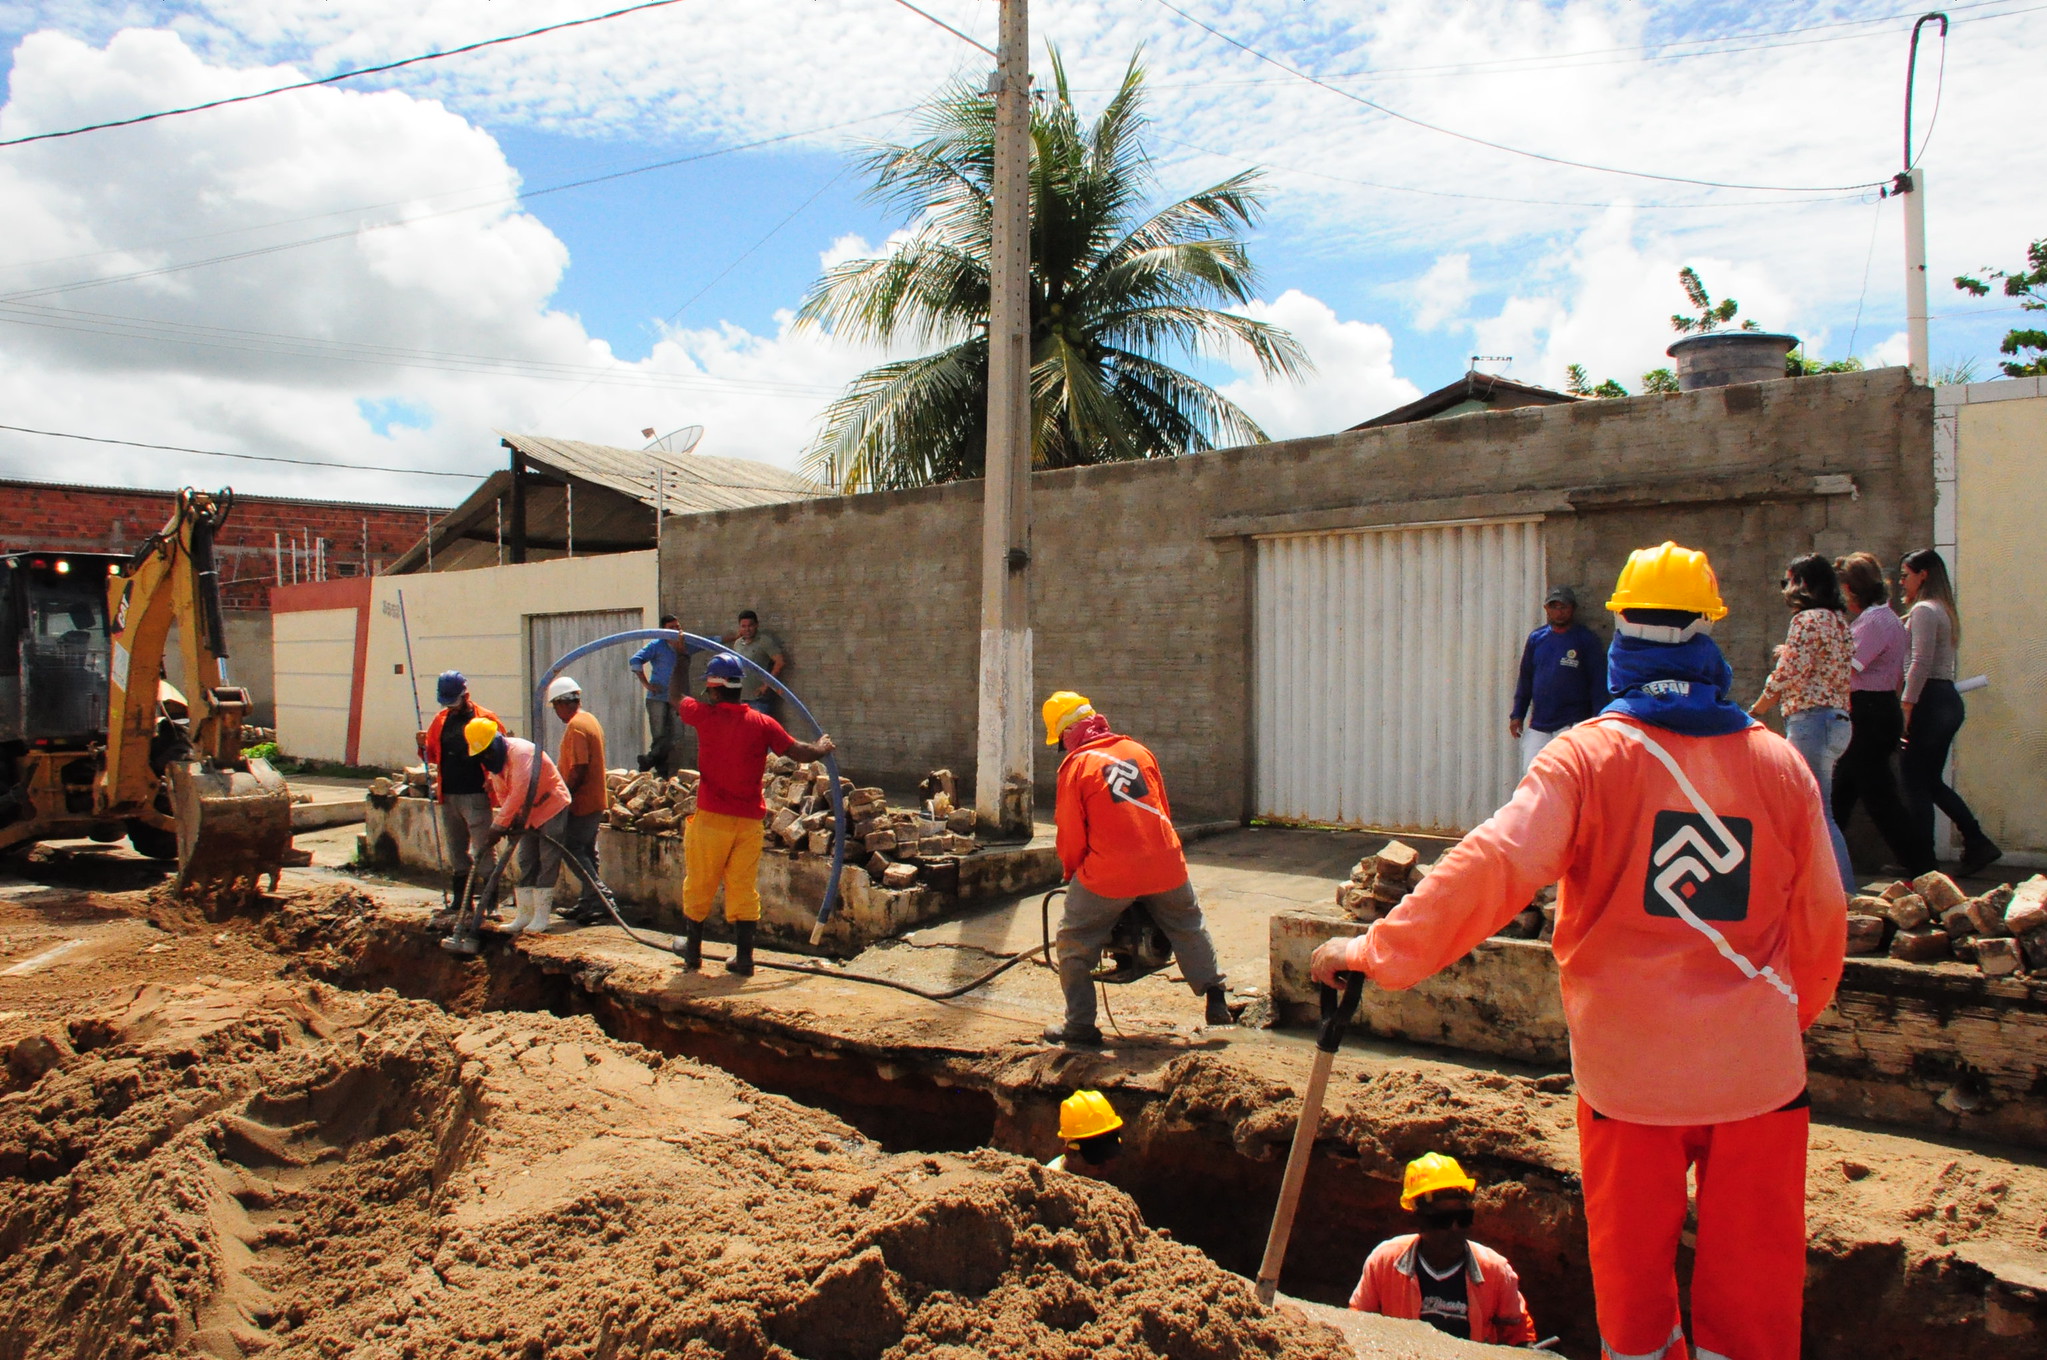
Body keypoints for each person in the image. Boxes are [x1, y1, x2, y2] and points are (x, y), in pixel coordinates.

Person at [1312, 541, 1845, 1360]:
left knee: (1632, 1287)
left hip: (1626, 1077)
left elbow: (1493, 867)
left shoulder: (1585, 757)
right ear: (1711, 631)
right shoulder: (1778, 764)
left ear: (1621, 626)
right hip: (1759, 1079)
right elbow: (1819, 924)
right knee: (1756, 1294)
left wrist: (1375, 951)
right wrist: (1778, 1024)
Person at [1042, 690, 1231, 1047]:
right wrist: (1160, 856)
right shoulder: (1138, 751)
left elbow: (1070, 832)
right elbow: (1162, 811)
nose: (1062, 749)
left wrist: (1071, 872)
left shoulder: (1077, 767)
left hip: (1110, 872)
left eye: (1060, 742)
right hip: (1165, 862)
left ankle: (1079, 1026)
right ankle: (1216, 997)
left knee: (1073, 940)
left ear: (1068, 734)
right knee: (1187, 922)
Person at [676, 652, 836, 976]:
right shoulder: (762, 723)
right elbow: (799, 751)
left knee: (700, 883)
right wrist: (821, 747)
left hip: (712, 820)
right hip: (748, 822)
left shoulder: (704, 715)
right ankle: (744, 959)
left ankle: (692, 953)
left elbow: (674, 696)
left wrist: (680, 658)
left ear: (714, 689)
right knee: (743, 888)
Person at [1348, 1153, 1538, 1346]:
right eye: (1442, 1220)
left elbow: (1520, 1336)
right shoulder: (1384, 1263)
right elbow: (1357, 1325)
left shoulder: (1495, 1271)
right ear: (1418, 1220)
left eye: (1463, 1218)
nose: (1454, 1228)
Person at [1750, 554, 1857, 892]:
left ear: (1802, 584)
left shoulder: (1806, 620)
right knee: (1814, 809)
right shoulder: (1839, 621)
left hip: (1812, 721)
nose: (1785, 590)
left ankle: (1843, 895)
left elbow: (1789, 672)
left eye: (1787, 582)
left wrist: (1759, 707)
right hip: (1836, 722)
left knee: (1817, 811)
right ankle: (1824, 890)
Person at [1898, 548, 2001, 875]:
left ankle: (1922, 864)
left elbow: (1920, 663)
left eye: (1905, 575)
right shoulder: (1943, 609)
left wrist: (1906, 706)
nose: (1901, 583)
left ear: (1922, 574)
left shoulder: (1925, 610)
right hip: (1944, 700)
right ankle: (1976, 841)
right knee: (1928, 780)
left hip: (1929, 699)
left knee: (1915, 781)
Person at [1831, 553, 1920, 872]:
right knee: (1843, 791)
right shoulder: (1885, 619)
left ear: (1854, 589)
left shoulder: (1874, 622)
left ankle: (1920, 865)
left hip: (1869, 711)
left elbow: (1848, 666)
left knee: (1877, 797)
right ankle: (1824, 861)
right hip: (1875, 709)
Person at [467, 717, 572, 937]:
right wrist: (508, 821)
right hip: (526, 814)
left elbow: (519, 793)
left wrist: (497, 827)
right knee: (526, 859)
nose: (485, 758)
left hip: (550, 806)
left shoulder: (522, 753)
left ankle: (542, 917)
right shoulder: (496, 764)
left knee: (547, 858)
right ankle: (524, 914)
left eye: (487, 752)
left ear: (495, 743)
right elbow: (504, 795)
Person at [415, 670, 506, 906]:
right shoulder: (441, 720)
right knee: (457, 851)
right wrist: (422, 747)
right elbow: (433, 756)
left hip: (476, 794)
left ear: (466, 695)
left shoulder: (487, 719)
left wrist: (494, 780)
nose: (451, 708)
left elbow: (502, 755)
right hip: (449, 795)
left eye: (454, 703)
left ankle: (490, 904)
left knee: (484, 850)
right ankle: (460, 902)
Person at [1509, 586, 1606, 773]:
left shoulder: (1586, 640)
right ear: (1546, 609)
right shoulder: (1537, 638)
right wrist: (1517, 714)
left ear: (1573, 609)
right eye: (1554, 607)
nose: (1559, 612)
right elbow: (1526, 678)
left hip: (1572, 723)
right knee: (1532, 774)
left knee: (1564, 776)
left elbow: (1598, 683)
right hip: (1540, 723)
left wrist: (1598, 721)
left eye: (1563, 607)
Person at [547, 675, 609, 925]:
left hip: (583, 803)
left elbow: (579, 767)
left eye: (555, 706)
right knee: (586, 852)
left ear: (563, 703)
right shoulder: (589, 719)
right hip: (594, 800)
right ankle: (588, 904)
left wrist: (563, 796)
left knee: (572, 849)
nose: (556, 713)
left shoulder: (576, 727)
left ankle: (604, 900)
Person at [630, 616, 686, 775]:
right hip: (658, 698)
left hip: (677, 699)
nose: (676, 630)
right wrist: (646, 684)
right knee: (660, 736)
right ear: (663, 630)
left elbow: (710, 641)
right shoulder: (656, 645)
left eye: (678, 626)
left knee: (676, 736)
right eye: (671, 627)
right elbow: (635, 660)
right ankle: (662, 773)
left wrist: (734, 637)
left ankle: (649, 759)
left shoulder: (685, 644)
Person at [721, 609, 787, 715]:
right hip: (741, 698)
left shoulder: (764, 641)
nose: (747, 629)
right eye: (743, 626)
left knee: (760, 730)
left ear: (756, 625)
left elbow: (780, 662)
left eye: (750, 625)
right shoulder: (737, 643)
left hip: (758, 698)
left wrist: (766, 686)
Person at [1047, 1089, 1124, 1174]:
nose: (1105, 1164)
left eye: (1110, 1151)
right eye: (1096, 1155)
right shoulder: (1053, 1182)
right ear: (1070, 1153)